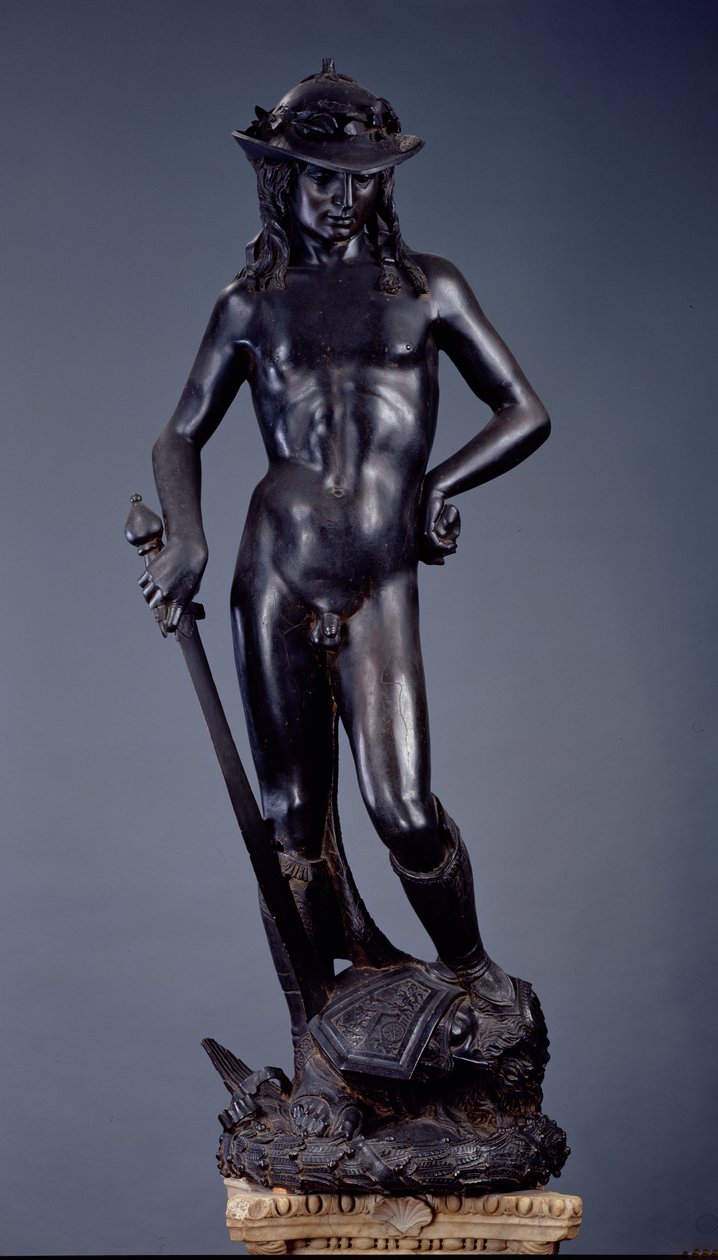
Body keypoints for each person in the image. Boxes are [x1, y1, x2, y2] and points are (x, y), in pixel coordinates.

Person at [140, 60, 550, 1043]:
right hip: (274, 569)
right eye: (323, 179)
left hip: (379, 575)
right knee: (289, 820)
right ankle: (325, 1031)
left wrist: (439, 485)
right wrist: (187, 534)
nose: (342, 198)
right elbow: (180, 433)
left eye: (363, 180)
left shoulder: (427, 287)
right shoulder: (252, 303)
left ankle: (473, 972)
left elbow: (524, 410)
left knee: (402, 806)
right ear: (283, 179)